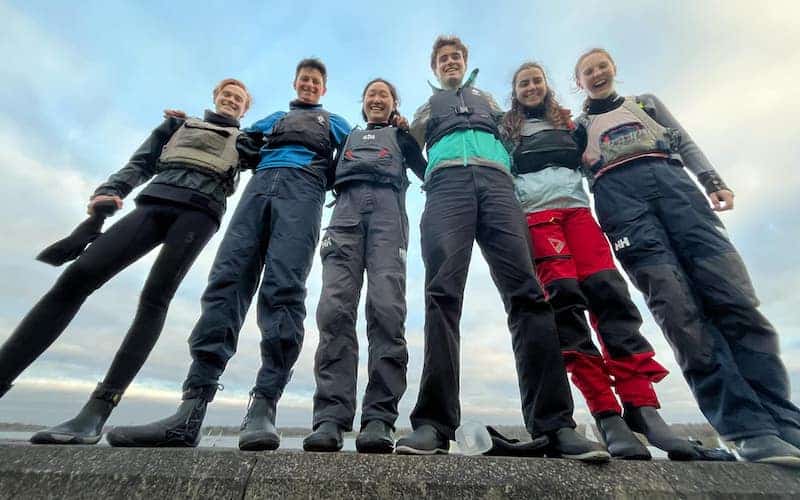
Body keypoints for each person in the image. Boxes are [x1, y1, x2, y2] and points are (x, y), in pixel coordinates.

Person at [106, 59, 351, 451]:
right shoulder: (272, 117)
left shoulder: (332, 121)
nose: (308, 85)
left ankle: (263, 407)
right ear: (295, 83)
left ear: (323, 89)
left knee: (283, 288)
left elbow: (354, 149)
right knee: (226, 281)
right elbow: (230, 137)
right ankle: (192, 409)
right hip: (257, 189)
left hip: (303, 191)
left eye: (315, 81)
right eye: (304, 79)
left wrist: (331, 178)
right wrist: (184, 124)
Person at [572, 48, 800, 465]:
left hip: (677, 189)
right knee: (679, 311)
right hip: (622, 205)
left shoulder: (646, 105)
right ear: (579, 82)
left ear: (614, 69)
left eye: (602, 66)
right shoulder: (577, 127)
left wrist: (713, 180)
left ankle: (784, 422)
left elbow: (686, 141)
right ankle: (746, 429)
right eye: (588, 71)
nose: (597, 73)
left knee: (734, 298)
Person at [0, 78, 259, 445]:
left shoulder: (247, 141)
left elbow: (272, 155)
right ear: (215, 98)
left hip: (200, 213)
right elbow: (141, 162)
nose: (231, 101)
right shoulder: (177, 126)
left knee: (155, 298)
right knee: (77, 277)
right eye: (226, 95)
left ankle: (96, 411)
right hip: (154, 201)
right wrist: (111, 190)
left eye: (239, 99)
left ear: (245, 109)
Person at [501, 61, 731, 461]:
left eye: (537, 80)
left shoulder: (571, 124)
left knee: (611, 297)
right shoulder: (506, 130)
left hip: (579, 213)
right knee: (566, 305)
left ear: (547, 86)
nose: (531, 87)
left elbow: (598, 156)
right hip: (538, 219)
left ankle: (643, 408)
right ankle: (607, 415)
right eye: (523, 83)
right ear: (515, 91)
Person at [394, 35, 609, 462]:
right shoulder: (427, 107)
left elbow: (518, 132)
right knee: (441, 295)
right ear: (435, 67)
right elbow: (407, 146)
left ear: (466, 62)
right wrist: (431, 173)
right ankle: (434, 425)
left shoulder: (488, 100)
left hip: (497, 188)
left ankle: (555, 426)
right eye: (443, 59)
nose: (450, 62)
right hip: (447, 188)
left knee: (529, 295)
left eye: (456, 56)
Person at [302, 79, 426, 454]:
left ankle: (379, 418)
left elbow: (426, 172)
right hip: (344, 216)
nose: (376, 99)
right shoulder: (347, 139)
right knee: (334, 310)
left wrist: (411, 136)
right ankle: (330, 418)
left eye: (384, 95)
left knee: (387, 310)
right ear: (363, 102)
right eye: (371, 94)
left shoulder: (402, 138)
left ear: (393, 104)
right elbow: (320, 177)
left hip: (389, 216)